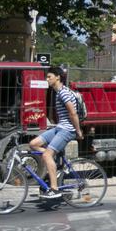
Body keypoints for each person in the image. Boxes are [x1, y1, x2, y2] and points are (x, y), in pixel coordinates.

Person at [29, 66, 82, 200]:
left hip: (67, 129)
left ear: (57, 77)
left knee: (47, 155)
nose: (47, 79)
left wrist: (78, 131)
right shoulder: (57, 92)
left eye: (49, 77)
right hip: (60, 127)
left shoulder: (64, 93)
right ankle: (53, 164)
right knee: (34, 144)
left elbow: (73, 113)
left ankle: (54, 189)